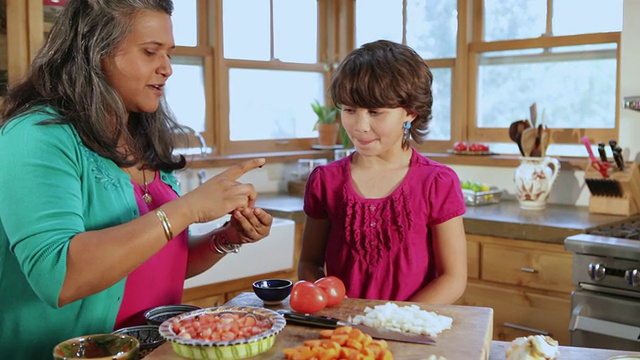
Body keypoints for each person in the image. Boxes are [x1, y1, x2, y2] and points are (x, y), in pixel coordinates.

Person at [0, 1, 273, 358]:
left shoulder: (140, 135)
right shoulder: (35, 135)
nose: (167, 68)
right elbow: (58, 276)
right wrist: (187, 209)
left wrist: (225, 238)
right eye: (150, 52)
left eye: (169, 54)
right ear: (95, 52)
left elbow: (154, 260)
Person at [298, 40, 467, 304]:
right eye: (349, 110)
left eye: (376, 112)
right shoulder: (325, 181)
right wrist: (325, 306)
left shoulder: (437, 182)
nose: (360, 126)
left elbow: (453, 278)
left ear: (410, 112)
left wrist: (395, 320)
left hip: (409, 331)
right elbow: (310, 263)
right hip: (343, 335)